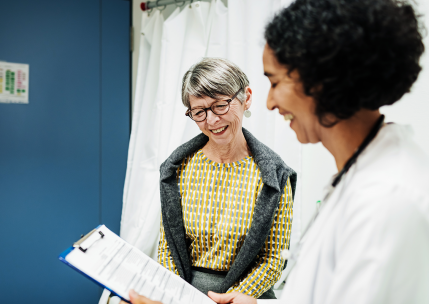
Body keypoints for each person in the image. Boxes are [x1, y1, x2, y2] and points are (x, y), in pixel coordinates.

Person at [205, 0, 429, 303]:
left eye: (275, 82)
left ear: (322, 80)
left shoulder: (387, 200)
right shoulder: (362, 173)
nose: (270, 102)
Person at [120, 57, 297, 304]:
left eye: (220, 106)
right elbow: (168, 247)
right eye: (199, 112)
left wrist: (229, 298)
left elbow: (273, 259)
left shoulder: (274, 176)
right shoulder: (177, 169)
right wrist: (177, 296)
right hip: (185, 295)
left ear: (246, 97)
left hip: (246, 297)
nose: (211, 121)